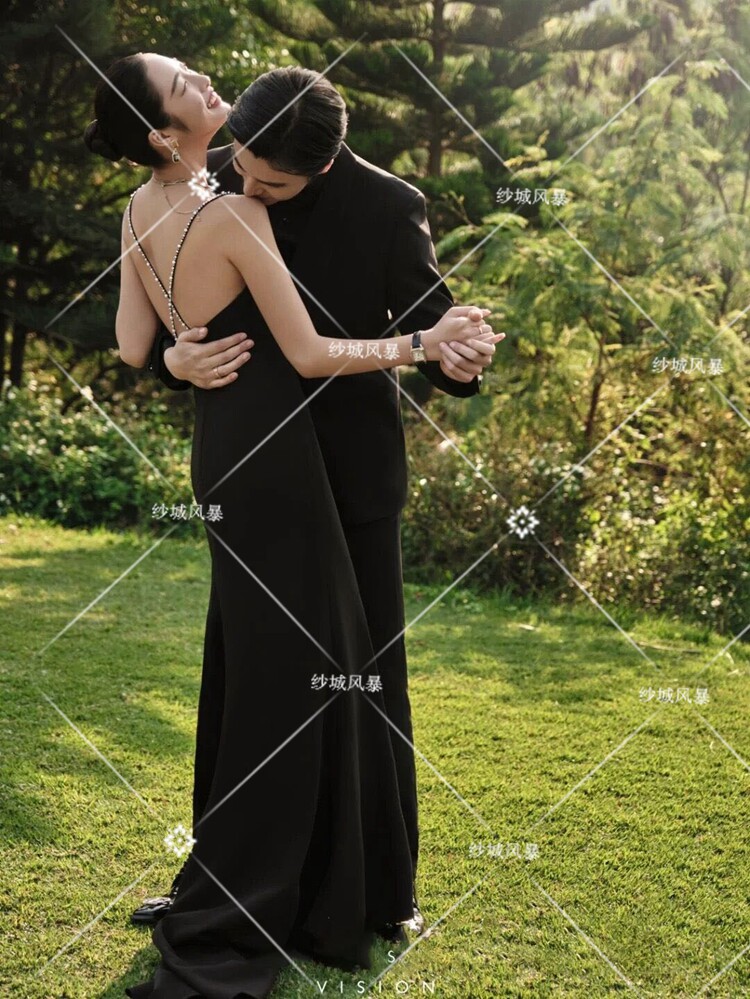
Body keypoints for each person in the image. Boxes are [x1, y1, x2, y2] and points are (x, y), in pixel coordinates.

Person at [85, 53, 500, 998]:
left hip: (347, 474)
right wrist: (178, 364)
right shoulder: (227, 183)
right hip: (267, 468)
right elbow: (191, 334)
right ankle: (252, 880)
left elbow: (435, 324)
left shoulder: (388, 205)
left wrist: (456, 353)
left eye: (270, 180)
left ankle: (369, 891)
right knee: (256, 674)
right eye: (242, 163)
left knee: (363, 680)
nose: (250, 180)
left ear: (322, 163)